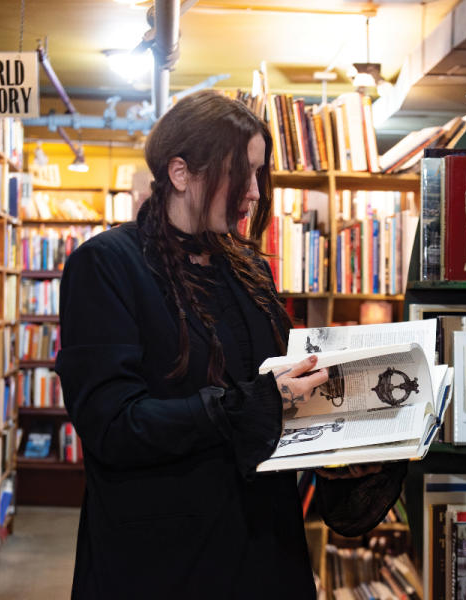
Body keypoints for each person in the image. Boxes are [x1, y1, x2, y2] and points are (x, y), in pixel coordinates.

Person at [55, 90, 406, 599]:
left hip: (265, 550)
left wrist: (349, 440)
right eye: (244, 173)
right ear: (181, 173)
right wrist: (250, 406)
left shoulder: (251, 270)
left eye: (260, 174)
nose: (257, 193)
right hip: (162, 563)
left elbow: (284, 408)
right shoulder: (106, 264)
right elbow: (111, 426)